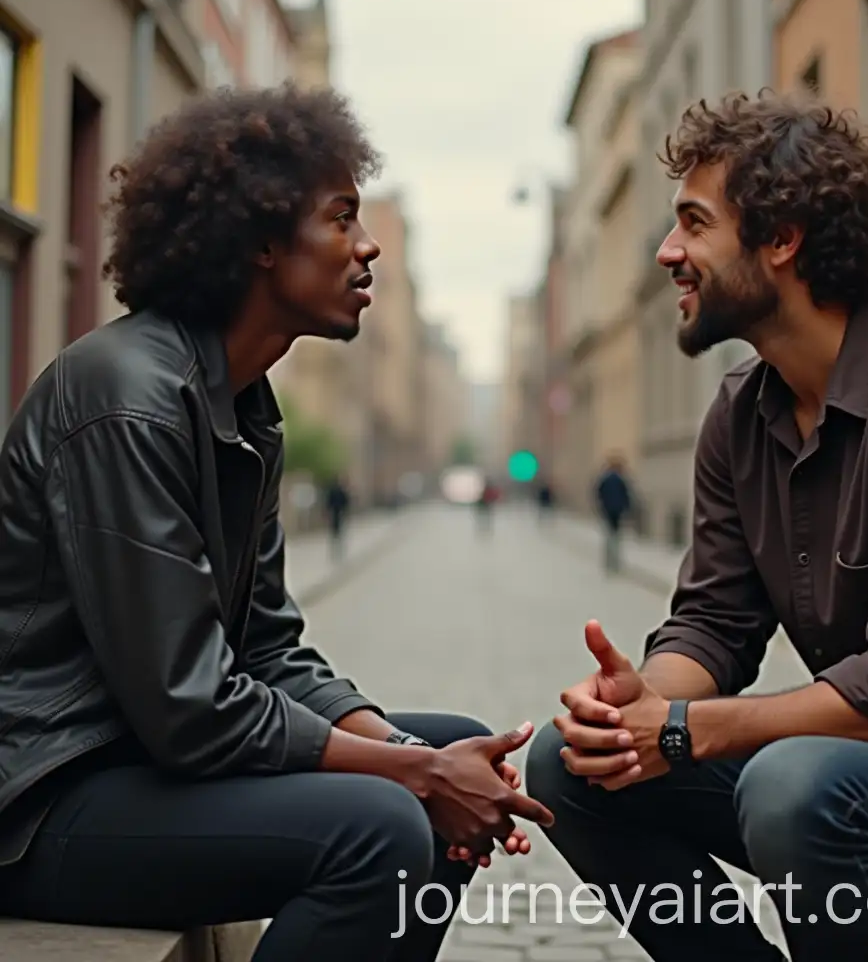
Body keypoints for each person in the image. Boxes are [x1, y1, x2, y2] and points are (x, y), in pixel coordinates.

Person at [0, 83, 552, 960]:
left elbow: (267, 648)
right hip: (44, 796)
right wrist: (412, 772)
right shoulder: (128, 397)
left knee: (446, 742)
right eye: (341, 219)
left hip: (135, 763)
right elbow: (190, 706)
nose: (368, 247)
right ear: (258, 239)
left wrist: (421, 753)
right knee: (382, 824)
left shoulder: (243, 406)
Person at [525, 90, 868, 962]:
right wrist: (641, 706)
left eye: (693, 223)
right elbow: (716, 622)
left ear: (782, 240)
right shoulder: (741, 414)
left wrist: (684, 730)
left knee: (798, 784)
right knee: (568, 767)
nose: (667, 252)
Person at [594, 455, 632, 573]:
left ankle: (608, 561)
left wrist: (601, 506)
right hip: (618, 511)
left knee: (609, 536)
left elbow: (598, 493)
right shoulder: (621, 480)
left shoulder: (605, 479)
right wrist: (627, 508)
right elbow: (627, 495)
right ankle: (615, 563)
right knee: (616, 537)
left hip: (607, 511)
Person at [324, 472, 350, 557]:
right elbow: (346, 502)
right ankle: (338, 547)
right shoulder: (341, 490)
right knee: (338, 530)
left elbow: (328, 502)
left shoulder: (332, 490)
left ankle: (335, 547)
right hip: (339, 512)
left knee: (334, 530)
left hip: (334, 512)